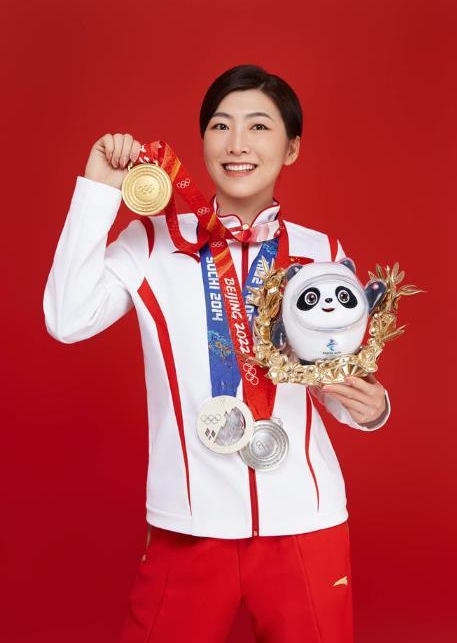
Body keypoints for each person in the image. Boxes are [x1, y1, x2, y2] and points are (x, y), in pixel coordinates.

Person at [43, 64, 391, 643]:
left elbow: (333, 374)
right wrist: (99, 189)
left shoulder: (321, 252)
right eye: (221, 126)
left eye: (259, 126)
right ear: (203, 140)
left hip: (304, 520)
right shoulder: (152, 241)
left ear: (291, 147)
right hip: (189, 523)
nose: (237, 144)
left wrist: (372, 407)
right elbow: (66, 318)